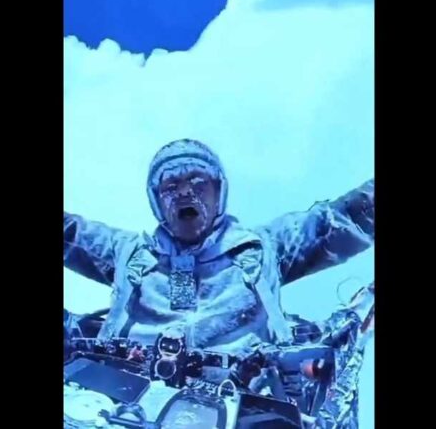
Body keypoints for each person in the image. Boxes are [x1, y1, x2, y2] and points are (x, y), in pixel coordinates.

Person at [64, 139, 374, 356]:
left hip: (245, 401)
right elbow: (71, 233)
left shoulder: (262, 248)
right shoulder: (129, 253)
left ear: (219, 190)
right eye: (170, 187)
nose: (184, 193)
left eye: (198, 181)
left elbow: (346, 218)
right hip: (125, 398)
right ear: (156, 201)